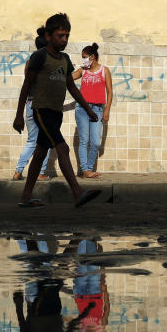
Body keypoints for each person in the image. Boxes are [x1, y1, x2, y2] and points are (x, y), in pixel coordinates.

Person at [13, 13, 102, 207]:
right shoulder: (40, 56)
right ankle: (77, 193)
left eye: (67, 36)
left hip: (56, 112)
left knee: (40, 153)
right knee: (63, 148)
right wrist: (19, 115)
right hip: (41, 110)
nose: (64, 40)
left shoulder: (65, 59)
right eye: (60, 35)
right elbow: (26, 86)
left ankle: (25, 197)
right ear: (48, 36)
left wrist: (88, 109)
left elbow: (71, 87)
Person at [12, 31, 51, 181]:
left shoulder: (30, 61)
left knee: (32, 140)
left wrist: (19, 113)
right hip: (42, 105)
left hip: (30, 103)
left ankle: (18, 171)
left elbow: (26, 85)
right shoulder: (46, 60)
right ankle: (40, 172)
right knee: (45, 140)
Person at [70, 42, 112, 178]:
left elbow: (110, 92)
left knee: (95, 142)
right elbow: (68, 79)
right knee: (84, 140)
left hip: (98, 109)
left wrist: (107, 110)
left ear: (92, 57)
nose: (83, 60)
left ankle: (88, 168)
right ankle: (86, 170)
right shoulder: (83, 70)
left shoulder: (104, 70)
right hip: (82, 109)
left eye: (85, 57)